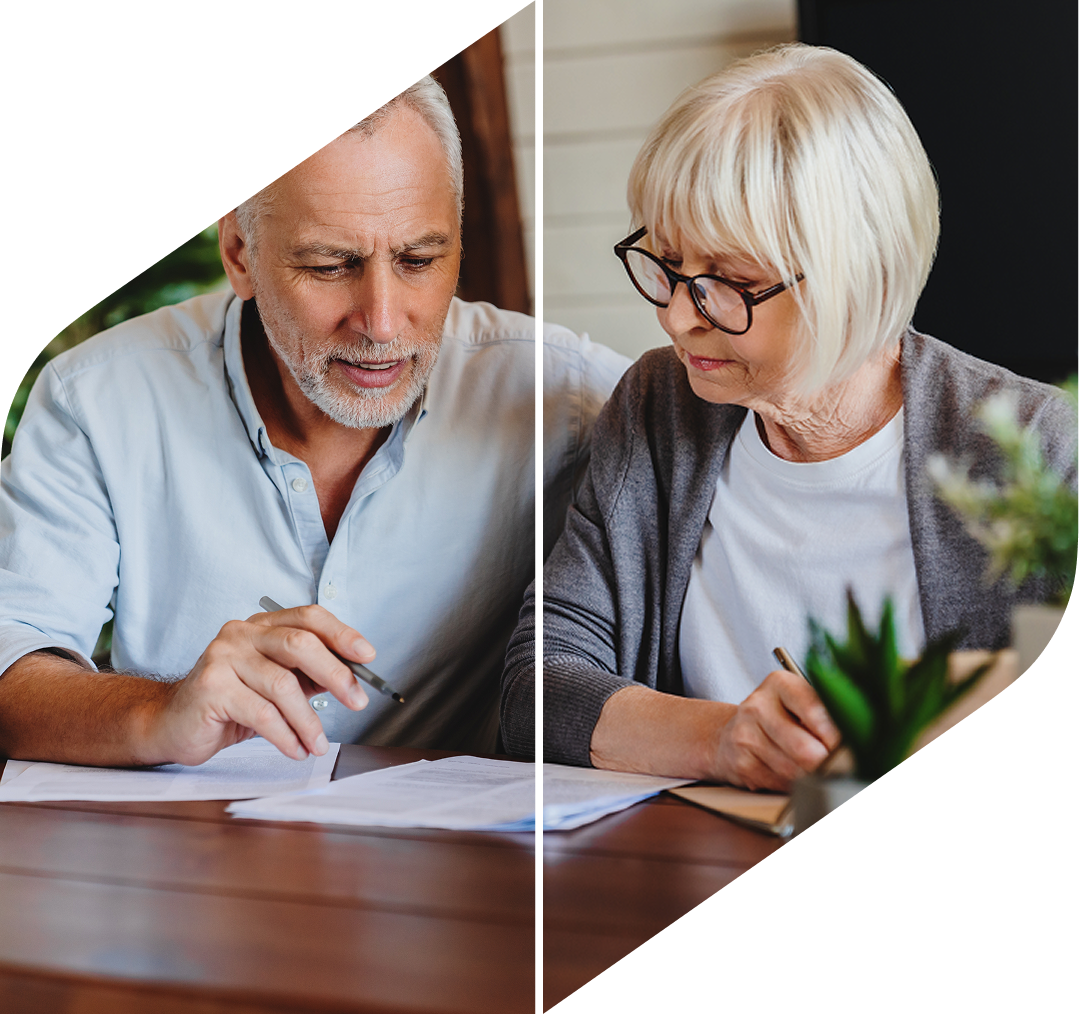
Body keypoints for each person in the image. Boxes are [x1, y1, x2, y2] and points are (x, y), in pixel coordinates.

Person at [0, 75, 629, 768]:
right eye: (331, 265)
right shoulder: (96, 397)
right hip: (190, 858)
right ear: (239, 254)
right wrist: (160, 711)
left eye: (419, 259)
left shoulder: (564, 396)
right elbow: (11, 665)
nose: (383, 323)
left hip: (459, 863)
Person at [502, 44, 1078, 788]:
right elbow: (536, 689)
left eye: (730, 281)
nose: (678, 316)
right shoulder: (656, 406)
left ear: (855, 274)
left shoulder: (1035, 446)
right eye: (667, 264)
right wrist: (721, 740)